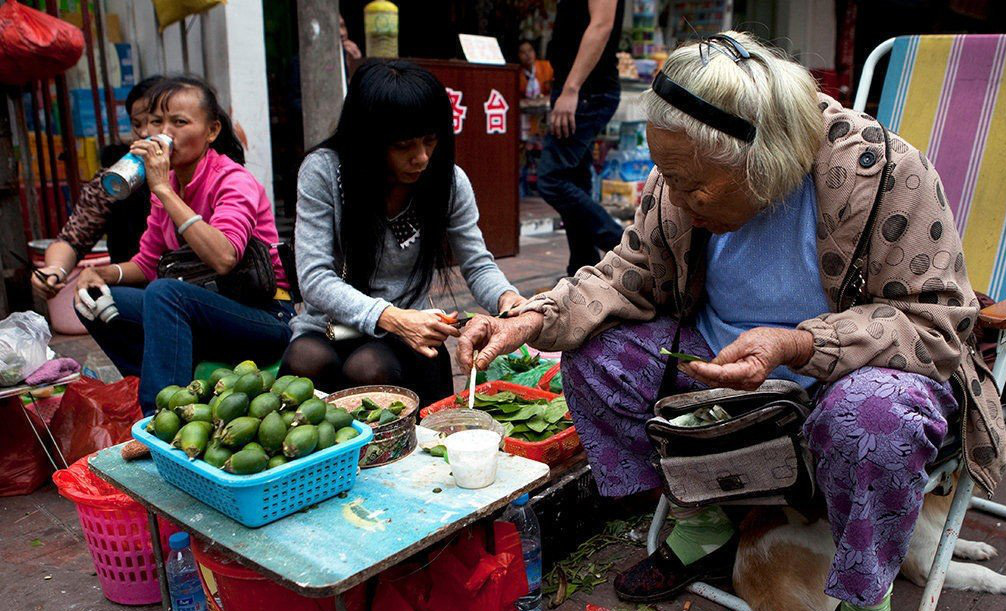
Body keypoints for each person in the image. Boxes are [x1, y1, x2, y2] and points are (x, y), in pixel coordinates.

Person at [459, 33, 1006, 611]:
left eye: (693, 185)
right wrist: (533, 319)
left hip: (847, 380)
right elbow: (627, 273)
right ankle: (704, 518)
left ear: (765, 161)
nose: (674, 196)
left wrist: (800, 343)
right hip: (719, 376)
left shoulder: (882, 174)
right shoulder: (681, 177)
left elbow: (937, 324)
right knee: (598, 359)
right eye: (668, 176)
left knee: (874, 419)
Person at [282, 60, 523, 407]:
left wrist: (506, 298)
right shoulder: (324, 171)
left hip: (409, 337)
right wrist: (392, 317)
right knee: (304, 361)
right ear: (368, 140)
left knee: (369, 368)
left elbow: (477, 263)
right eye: (403, 145)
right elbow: (315, 278)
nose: (421, 157)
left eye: (430, 141)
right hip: (333, 328)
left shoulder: (449, 182)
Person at [75, 76, 293, 414]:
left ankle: (160, 415)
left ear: (212, 131)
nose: (164, 133)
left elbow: (224, 257)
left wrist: (163, 190)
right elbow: (148, 263)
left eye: (179, 122)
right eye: (157, 122)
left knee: (165, 293)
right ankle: (159, 383)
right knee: (93, 298)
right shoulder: (171, 184)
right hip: (207, 311)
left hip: (264, 315)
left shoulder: (232, 180)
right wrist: (102, 274)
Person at [31, 75, 163, 299]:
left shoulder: (207, 173)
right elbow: (73, 238)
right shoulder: (118, 176)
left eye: (157, 122)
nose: (144, 133)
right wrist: (54, 270)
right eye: (137, 124)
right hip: (136, 292)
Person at [538, 0, 625, 275]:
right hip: (576, 88)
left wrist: (571, 89)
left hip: (587, 91)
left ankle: (627, 249)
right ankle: (583, 266)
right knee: (575, 179)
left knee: (553, 179)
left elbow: (601, 25)